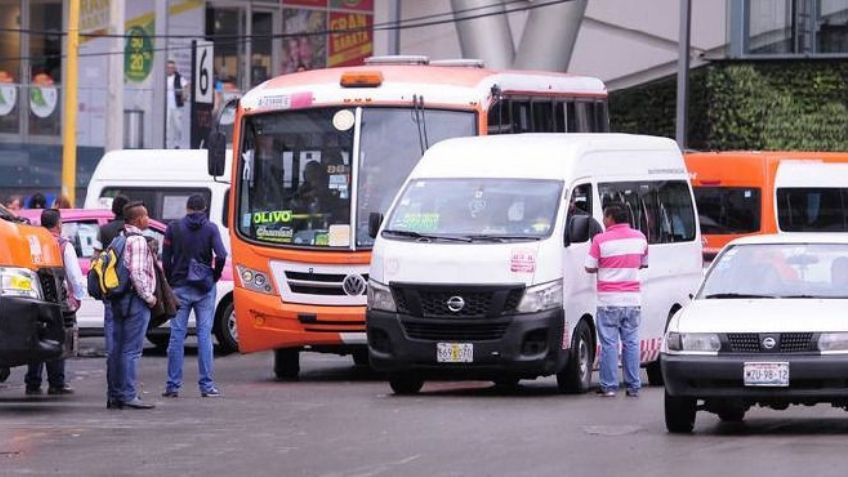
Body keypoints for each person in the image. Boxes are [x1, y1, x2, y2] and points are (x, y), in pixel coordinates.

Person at [161, 194, 227, 398]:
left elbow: (166, 259)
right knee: (204, 335)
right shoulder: (211, 228)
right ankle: (206, 385)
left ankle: (173, 386)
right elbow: (221, 255)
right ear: (204, 208)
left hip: (179, 287)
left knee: (177, 336)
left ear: (187, 208)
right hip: (204, 288)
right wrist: (214, 276)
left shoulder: (173, 228)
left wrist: (171, 281)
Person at [584, 202, 648, 398]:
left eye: (605, 216)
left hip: (608, 301)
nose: (603, 220)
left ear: (611, 218)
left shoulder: (600, 240)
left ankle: (610, 386)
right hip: (632, 301)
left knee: (609, 344)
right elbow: (643, 264)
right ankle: (633, 386)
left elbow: (589, 266)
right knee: (631, 343)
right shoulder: (640, 238)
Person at [25, 209, 86, 396]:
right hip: (57, 301)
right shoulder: (63, 245)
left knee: (36, 338)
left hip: (34, 298)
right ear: (59, 224)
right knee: (57, 338)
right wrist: (77, 297)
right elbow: (74, 276)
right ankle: (56, 382)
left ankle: (33, 382)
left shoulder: (31, 243)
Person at [109, 201, 157, 409]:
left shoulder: (119, 238)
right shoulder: (138, 241)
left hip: (119, 299)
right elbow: (137, 272)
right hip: (134, 301)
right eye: (146, 216)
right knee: (132, 350)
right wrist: (148, 297)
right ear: (138, 219)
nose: (148, 219)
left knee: (118, 348)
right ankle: (128, 394)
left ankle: (115, 394)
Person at [96, 194, 129, 407]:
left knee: (112, 346)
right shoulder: (130, 231)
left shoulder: (104, 230)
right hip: (128, 293)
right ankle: (125, 389)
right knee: (129, 346)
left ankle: (112, 392)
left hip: (110, 291)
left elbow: (96, 258)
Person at [166, 60, 186, 149]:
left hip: (176, 105)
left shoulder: (179, 78)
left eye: (172, 68)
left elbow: (186, 86)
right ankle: (166, 144)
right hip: (166, 106)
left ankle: (177, 144)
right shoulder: (163, 77)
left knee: (178, 126)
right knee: (166, 125)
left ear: (174, 69)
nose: (170, 69)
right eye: (169, 67)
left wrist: (184, 95)